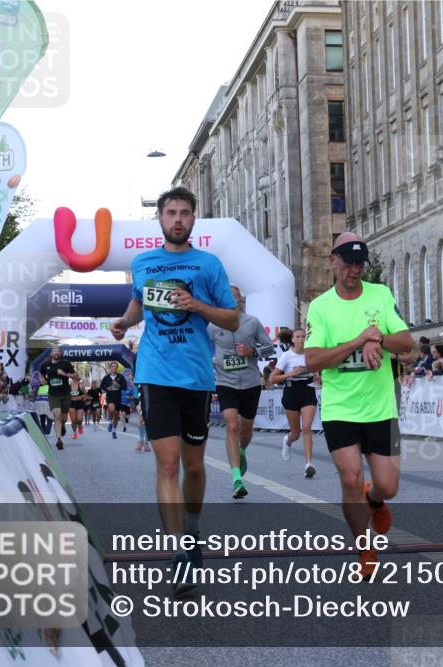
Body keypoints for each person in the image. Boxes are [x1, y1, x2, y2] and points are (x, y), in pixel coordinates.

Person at [111, 186, 239, 598]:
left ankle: (194, 530)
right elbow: (137, 305)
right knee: (167, 465)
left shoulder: (208, 265)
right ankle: (179, 554)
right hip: (155, 373)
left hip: (197, 377)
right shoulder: (143, 263)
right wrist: (123, 323)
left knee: (195, 468)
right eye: (171, 213)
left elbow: (233, 320)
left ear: (194, 219)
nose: (178, 219)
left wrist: (197, 305)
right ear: (161, 219)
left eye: (185, 212)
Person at [304, 232, 414, 579]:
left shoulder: (380, 295)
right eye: (347, 262)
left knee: (388, 486)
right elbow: (312, 360)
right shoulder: (321, 307)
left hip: (382, 409)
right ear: (333, 261)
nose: (354, 270)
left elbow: (407, 343)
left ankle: (375, 498)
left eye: (359, 263)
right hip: (341, 410)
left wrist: (378, 338)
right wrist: (357, 341)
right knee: (350, 478)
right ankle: (365, 548)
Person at [209, 284, 275, 498]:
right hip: (225, 381)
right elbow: (201, 347)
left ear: (241, 300)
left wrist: (252, 351)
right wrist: (209, 359)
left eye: (235, 297)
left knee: (245, 430)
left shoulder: (252, 322)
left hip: (249, 383)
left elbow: (270, 348)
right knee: (231, 424)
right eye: (228, 296)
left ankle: (242, 450)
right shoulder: (213, 325)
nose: (232, 299)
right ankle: (237, 478)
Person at [272, 328, 319, 478]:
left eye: (304, 336)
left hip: (308, 390)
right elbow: (273, 378)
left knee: (307, 428)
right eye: (298, 337)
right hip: (291, 392)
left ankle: (308, 464)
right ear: (292, 339)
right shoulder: (286, 356)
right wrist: (292, 373)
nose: (301, 339)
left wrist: (318, 377)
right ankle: (288, 440)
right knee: (296, 433)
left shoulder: (310, 355)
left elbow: (317, 372)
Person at [39, 346, 78, 450]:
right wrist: (42, 380)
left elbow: (76, 376)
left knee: (63, 417)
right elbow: (41, 376)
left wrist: (65, 374)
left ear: (60, 354)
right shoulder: (45, 365)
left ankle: (63, 425)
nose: (56, 353)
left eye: (58, 351)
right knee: (57, 415)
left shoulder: (65, 364)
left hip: (65, 393)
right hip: (53, 394)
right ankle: (59, 439)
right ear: (51, 354)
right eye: (54, 351)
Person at [99, 363, 128, 440]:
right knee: (111, 409)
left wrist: (118, 386)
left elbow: (125, 387)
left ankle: (114, 431)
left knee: (116, 416)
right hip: (110, 397)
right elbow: (101, 386)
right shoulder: (106, 377)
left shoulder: (120, 377)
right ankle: (110, 423)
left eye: (116, 367)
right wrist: (106, 388)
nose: (114, 368)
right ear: (110, 368)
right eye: (113, 367)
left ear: (117, 368)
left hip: (118, 398)